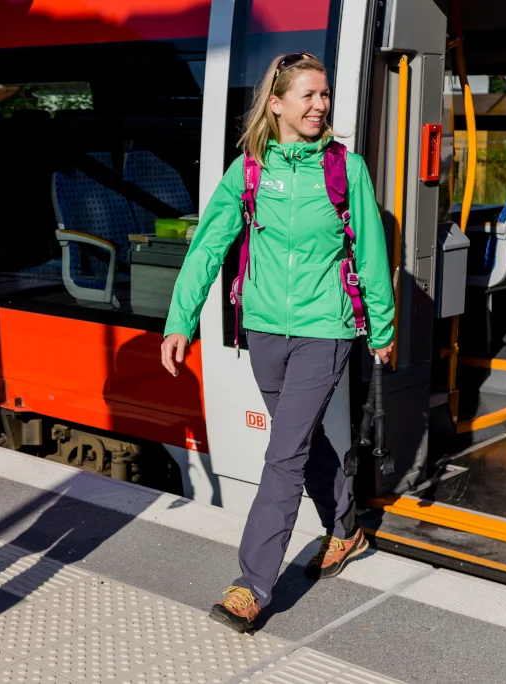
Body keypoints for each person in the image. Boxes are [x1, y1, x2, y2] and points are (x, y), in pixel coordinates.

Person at [161, 53, 395, 634]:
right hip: (263, 329)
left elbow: (370, 253)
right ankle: (346, 529)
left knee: (283, 454)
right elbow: (207, 249)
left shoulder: (347, 170)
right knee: (302, 438)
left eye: (325, 95)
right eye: (309, 95)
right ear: (278, 103)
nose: (321, 106)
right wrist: (179, 321)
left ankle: (252, 583)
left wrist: (383, 329)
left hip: (327, 329)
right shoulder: (249, 172)